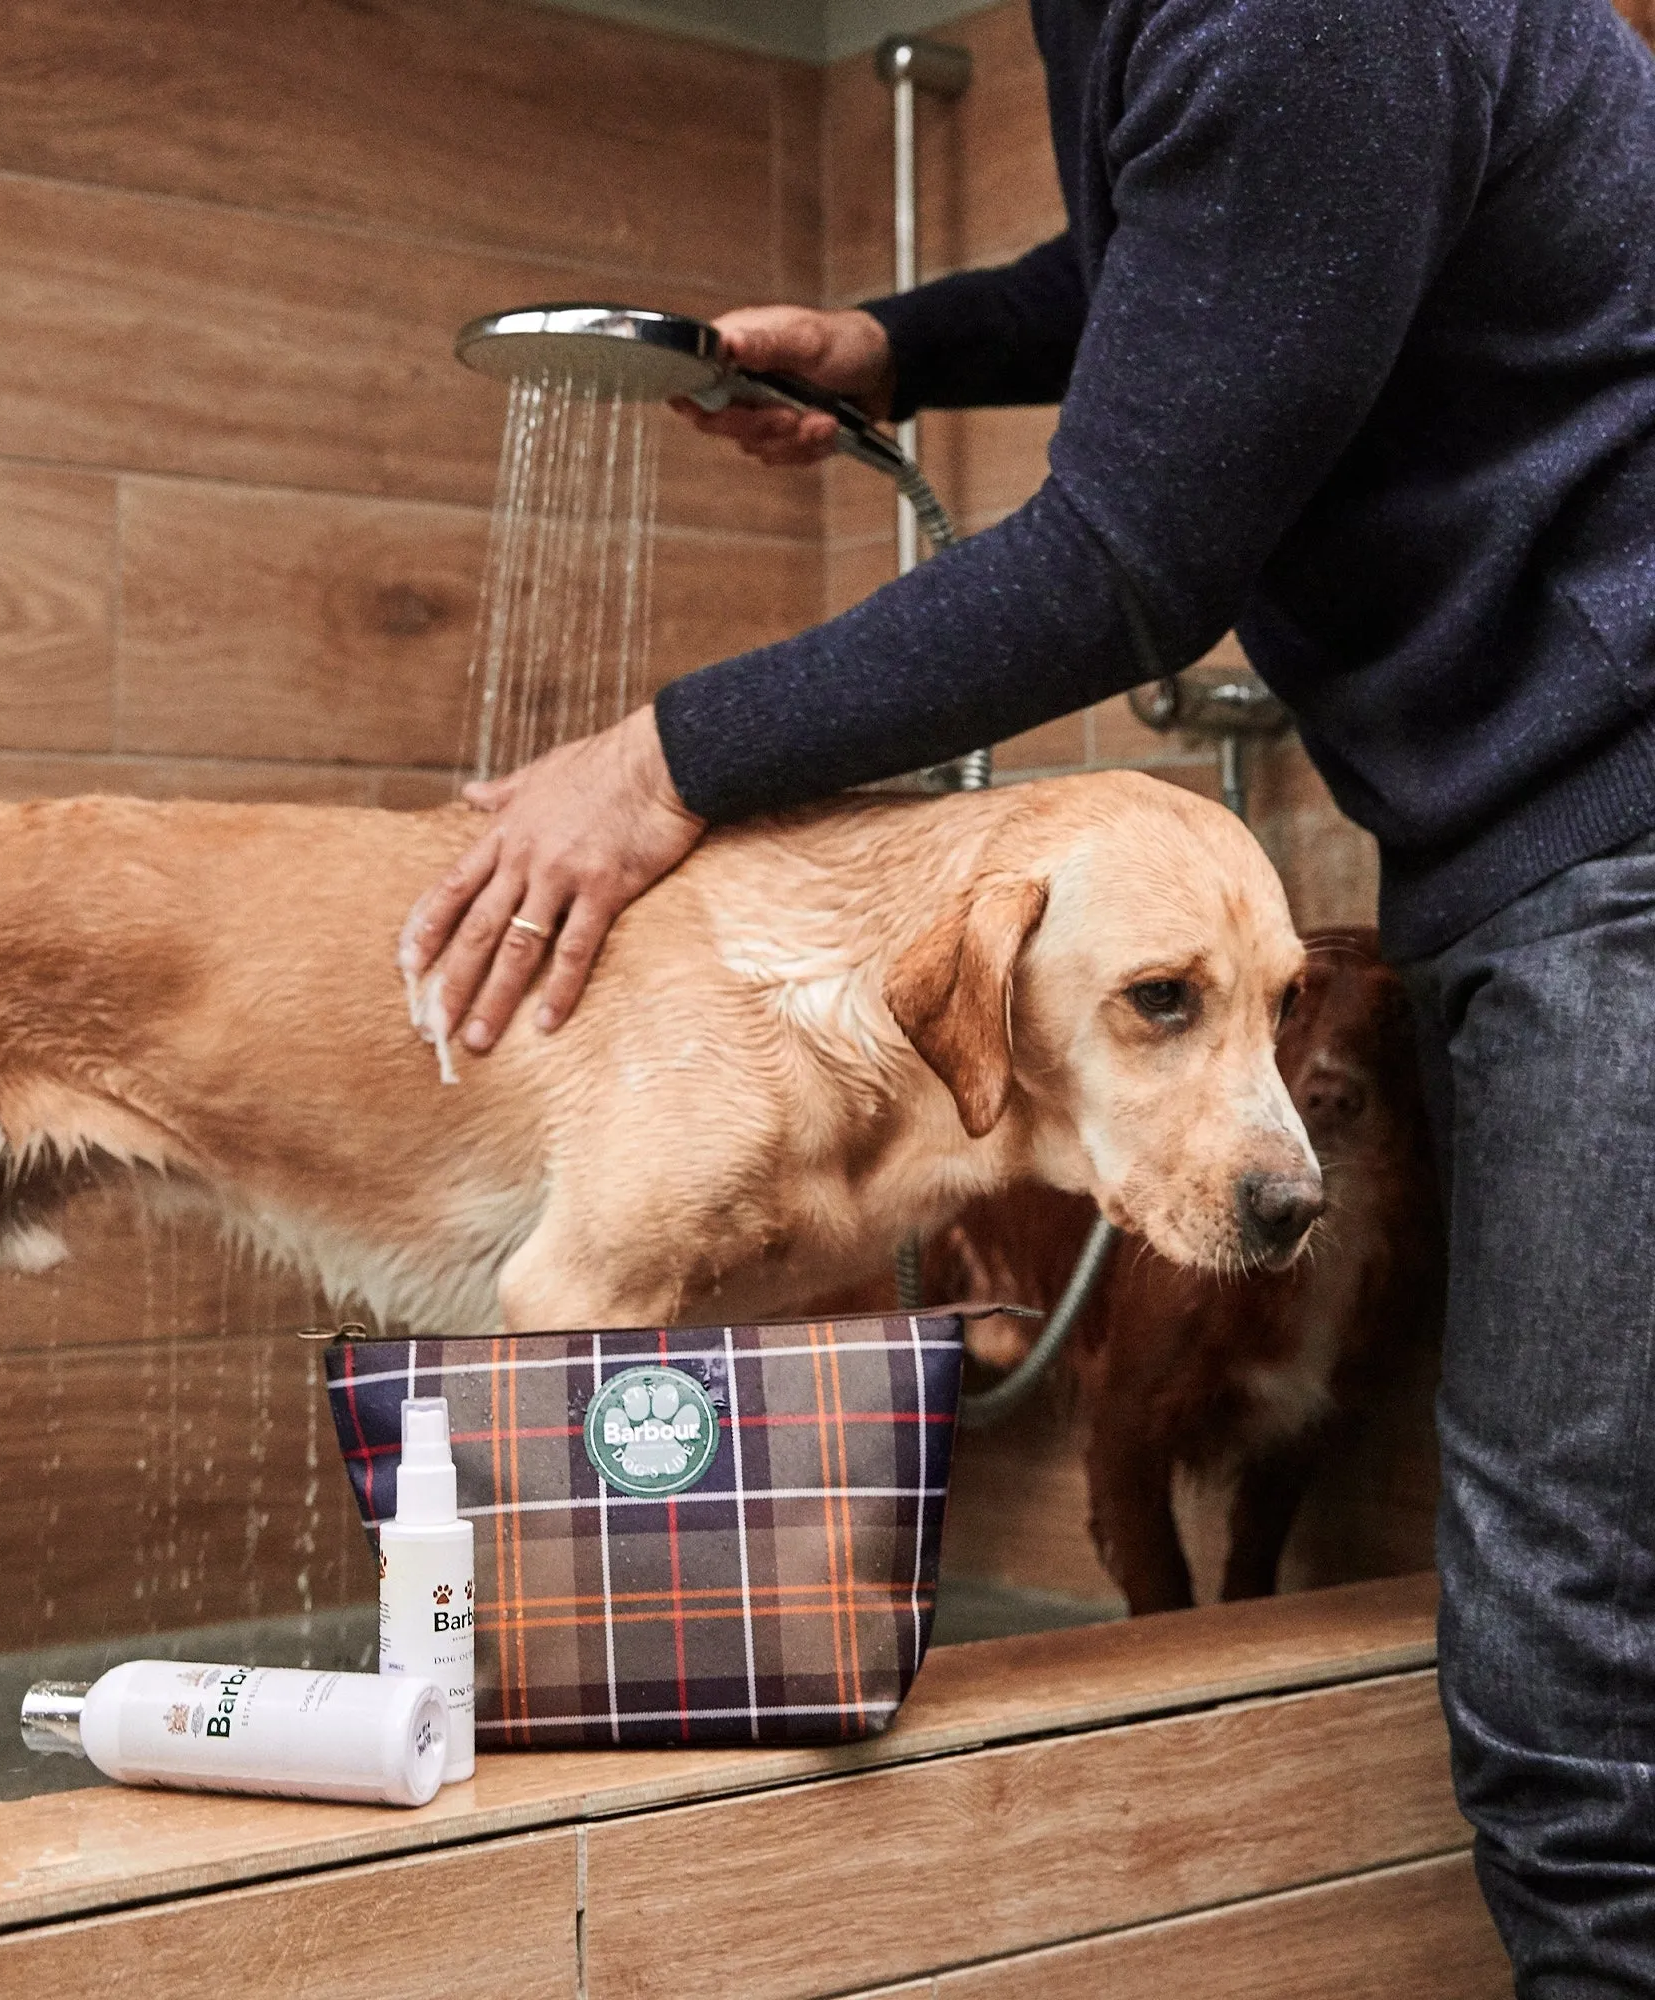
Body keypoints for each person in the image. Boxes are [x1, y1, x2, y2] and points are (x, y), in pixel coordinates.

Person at [404, 3, 1655, 1987]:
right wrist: (908, 342)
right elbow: (1194, 252)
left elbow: (1118, 563)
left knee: (1576, 1628)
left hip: (1618, 822)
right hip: (1556, 830)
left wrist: (654, 765)